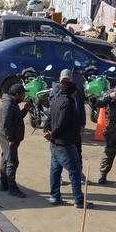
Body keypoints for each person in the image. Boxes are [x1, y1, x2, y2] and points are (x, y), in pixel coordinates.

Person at [45, 70, 85, 207]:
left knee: (55, 170)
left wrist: (47, 132)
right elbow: (61, 124)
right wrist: (53, 134)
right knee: (75, 171)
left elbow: (49, 118)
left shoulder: (55, 101)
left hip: (55, 144)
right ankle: (78, 200)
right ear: (72, 93)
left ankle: (54, 197)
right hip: (65, 143)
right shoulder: (68, 104)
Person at [0, 82, 28, 197]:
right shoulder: (8, 106)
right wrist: (11, 139)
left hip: (7, 137)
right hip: (8, 138)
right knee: (12, 162)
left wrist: (25, 110)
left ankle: (4, 184)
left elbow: (16, 118)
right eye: (22, 95)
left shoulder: (12, 103)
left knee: (5, 159)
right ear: (16, 94)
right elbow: (6, 124)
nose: (23, 97)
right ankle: (12, 188)